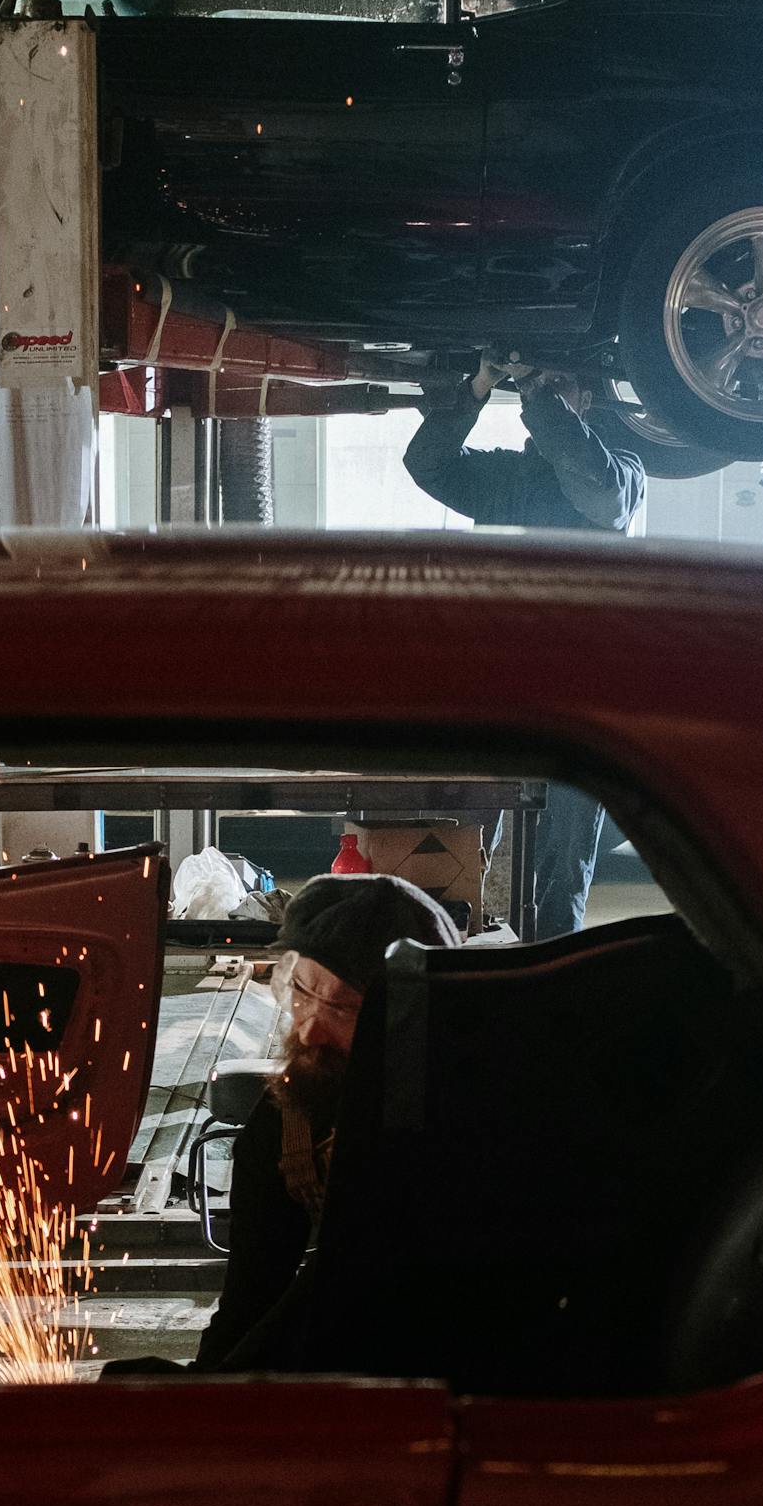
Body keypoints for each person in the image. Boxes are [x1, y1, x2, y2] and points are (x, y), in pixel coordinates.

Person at [404, 352, 646, 937]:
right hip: (499, 690)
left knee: (561, 862)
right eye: (540, 391)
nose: (549, 397)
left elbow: (598, 493)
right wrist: (479, 387)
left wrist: (540, 397)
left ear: (586, 401)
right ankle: (450, 956)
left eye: (563, 388)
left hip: (581, 703)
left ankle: (551, 970)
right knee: (462, 841)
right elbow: (426, 463)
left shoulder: (623, 473)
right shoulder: (503, 478)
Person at [193, 873, 460, 1370]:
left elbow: (341, 1284)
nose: (311, 1027)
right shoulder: (287, 1122)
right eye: (302, 991)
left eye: (343, 1008)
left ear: (416, 1017)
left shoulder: (474, 1117)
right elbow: (251, 1298)